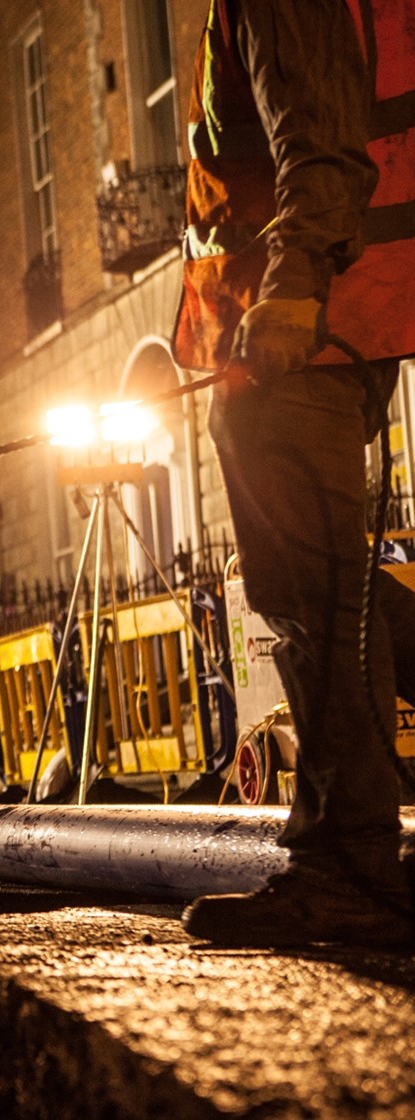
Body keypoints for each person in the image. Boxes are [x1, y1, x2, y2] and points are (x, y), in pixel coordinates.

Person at [174, 0, 415, 947]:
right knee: (342, 597)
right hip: (322, 323)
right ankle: (348, 856)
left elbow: (320, 145)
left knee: (313, 600)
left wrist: (291, 285)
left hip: (298, 333)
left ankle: (349, 867)